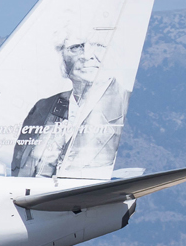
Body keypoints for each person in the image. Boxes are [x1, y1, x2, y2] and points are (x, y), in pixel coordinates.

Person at [10, 31, 128, 178]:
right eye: (76, 47)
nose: (86, 55)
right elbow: (19, 171)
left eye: (99, 45)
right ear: (62, 57)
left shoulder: (130, 106)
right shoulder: (43, 107)